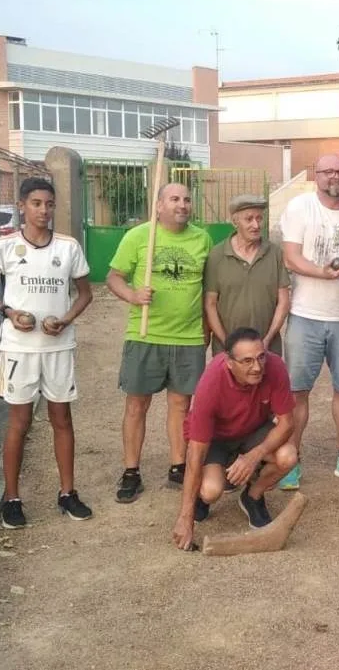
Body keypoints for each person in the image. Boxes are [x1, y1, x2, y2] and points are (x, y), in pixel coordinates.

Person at [0, 177, 94, 529]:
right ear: (22, 206)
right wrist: (9, 312)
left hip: (58, 346)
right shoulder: (4, 246)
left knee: (62, 418)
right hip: (18, 348)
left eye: (49, 204)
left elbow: (85, 294)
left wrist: (65, 319)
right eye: (37, 203)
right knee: (19, 422)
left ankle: (67, 493)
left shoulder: (68, 247)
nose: (44, 210)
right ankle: (12, 499)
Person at [278, 154, 339, 490]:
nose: (335, 176)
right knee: (297, 392)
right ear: (315, 175)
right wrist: (323, 272)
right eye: (328, 171)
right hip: (305, 315)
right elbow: (291, 257)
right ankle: (291, 459)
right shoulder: (300, 207)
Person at [107, 182, 212, 503]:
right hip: (145, 335)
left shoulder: (202, 239)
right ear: (159, 205)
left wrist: (206, 332)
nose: (182, 205)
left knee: (181, 406)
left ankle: (178, 466)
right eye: (174, 199)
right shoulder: (138, 236)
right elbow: (114, 277)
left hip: (188, 337)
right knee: (137, 405)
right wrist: (133, 295)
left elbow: (209, 290)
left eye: (187, 199)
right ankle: (131, 472)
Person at [172, 328, 298, 550]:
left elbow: (287, 423)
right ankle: (202, 497)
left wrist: (254, 456)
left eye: (260, 357)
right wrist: (185, 517)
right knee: (212, 490)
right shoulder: (211, 383)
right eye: (247, 361)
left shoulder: (275, 366)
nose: (257, 367)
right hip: (215, 439)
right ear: (229, 363)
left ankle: (252, 496)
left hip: (252, 432)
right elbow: (195, 453)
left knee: (288, 456)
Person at [203, 195, 290, 355]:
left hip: (267, 349)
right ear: (235, 222)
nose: (256, 225)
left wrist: (267, 340)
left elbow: (283, 302)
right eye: (249, 219)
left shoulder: (275, 253)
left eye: (259, 218)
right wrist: (227, 343)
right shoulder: (217, 255)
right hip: (226, 350)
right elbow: (210, 304)